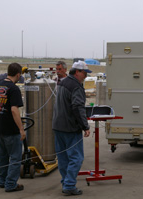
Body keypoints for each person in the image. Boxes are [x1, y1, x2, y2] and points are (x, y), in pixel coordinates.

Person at [52, 60, 91, 196]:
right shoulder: (76, 86)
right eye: (85, 73)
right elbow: (77, 107)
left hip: (58, 126)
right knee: (76, 158)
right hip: (70, 128)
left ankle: (66, 182)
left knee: (63, 158)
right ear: (78, 72)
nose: (86, 75)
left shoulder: (63, 83)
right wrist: (85, 126)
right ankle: (69, 185)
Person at [0, 63, 25, 192]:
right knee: (15, 158)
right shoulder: (14, 88)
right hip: (10, 129)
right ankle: (11, 184)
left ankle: (2, 181)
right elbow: (14, 110)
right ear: (18, 74)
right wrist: (21, 129)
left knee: (3, 156)